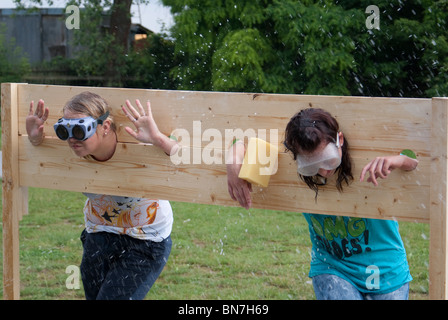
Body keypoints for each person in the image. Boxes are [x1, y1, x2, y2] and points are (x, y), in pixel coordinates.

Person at [226, 107, 418, 300]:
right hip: (333, 266)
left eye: (328, 159)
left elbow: (417, 162)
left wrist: (399, 160)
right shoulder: (293, 161)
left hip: (387, 268)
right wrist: (234, 157)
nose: (324, 170)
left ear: (339, 140)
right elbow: (239, 138)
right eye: (311, 165)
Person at [26, 92, 178, 300]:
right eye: (64, 130)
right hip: (99, 235)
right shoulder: (75, 149)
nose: (71, 139)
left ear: (105, 126)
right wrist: (35, 141)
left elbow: (186, 158)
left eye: (79, 129)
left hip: (146, 241)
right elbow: (35, 154)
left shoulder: (141, 145)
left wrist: (158, 139)